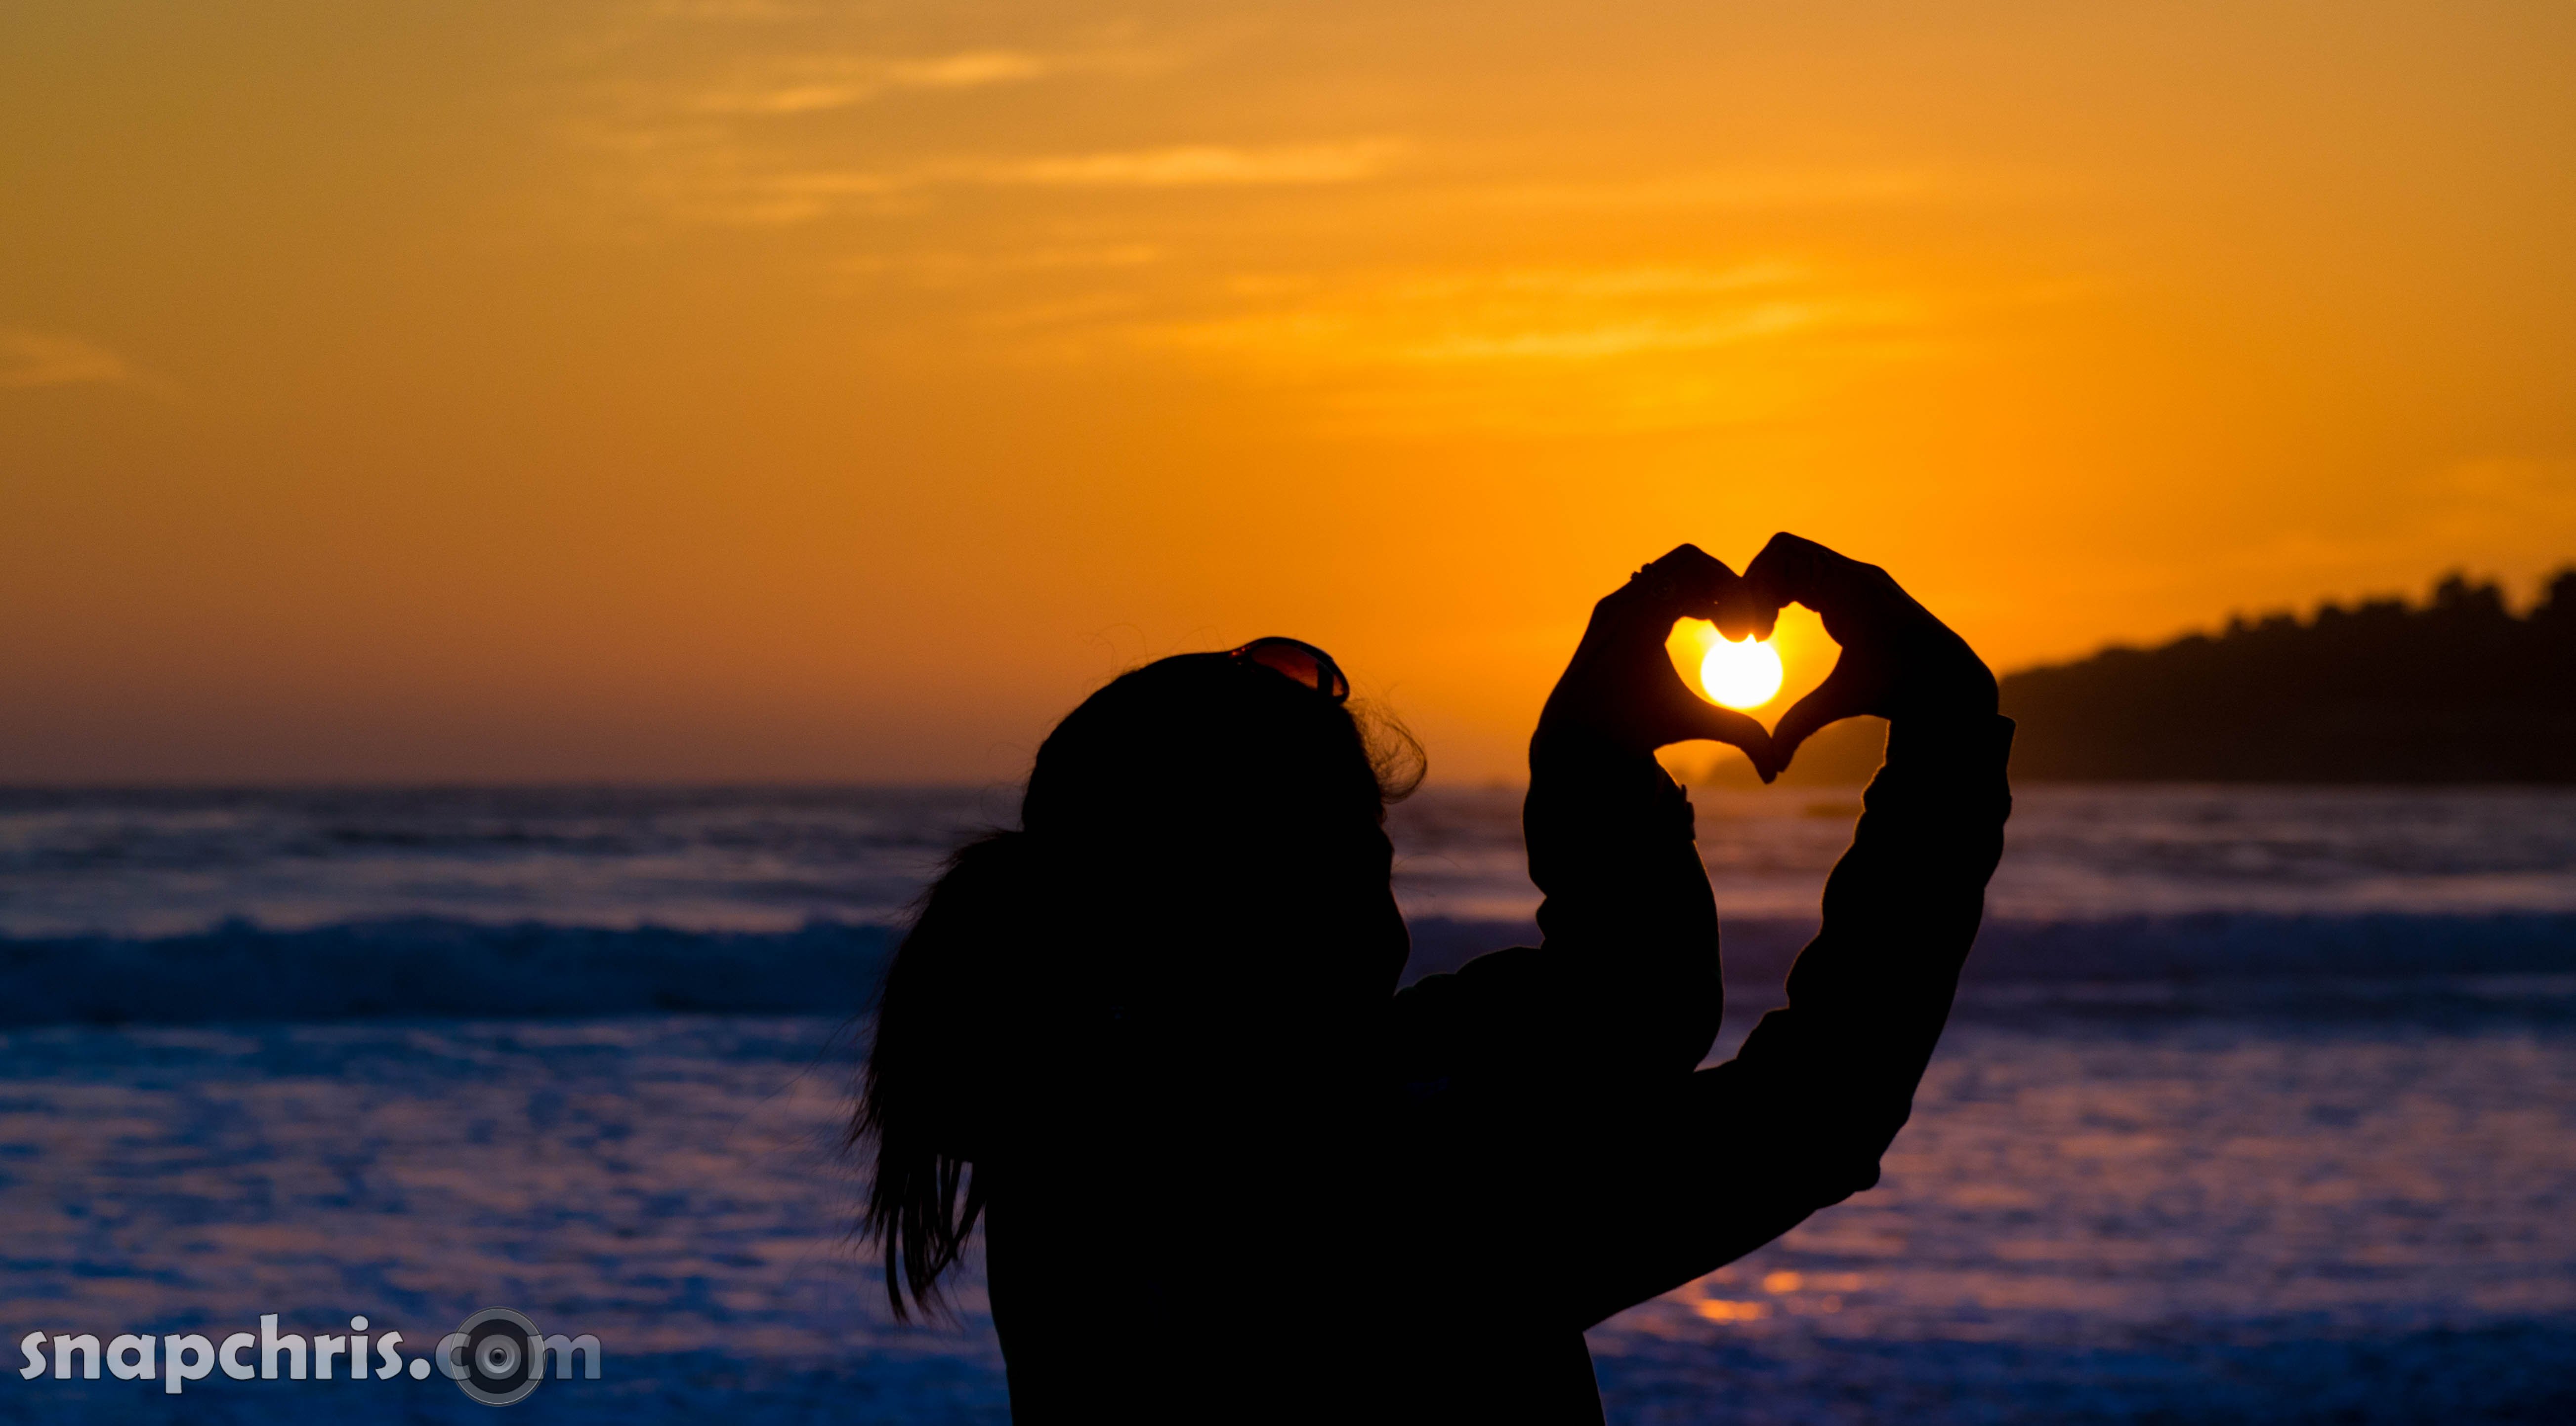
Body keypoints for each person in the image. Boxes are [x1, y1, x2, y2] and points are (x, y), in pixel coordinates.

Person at [855, 533, 2013, 1423]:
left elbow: (1625, 1014)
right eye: (1366, 860)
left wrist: (1595, 751)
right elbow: (1811, 1113)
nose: (1388, 917)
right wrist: (1950, 741)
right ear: (1272, 900)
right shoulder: (1346, 1186)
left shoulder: (1095, 1112)